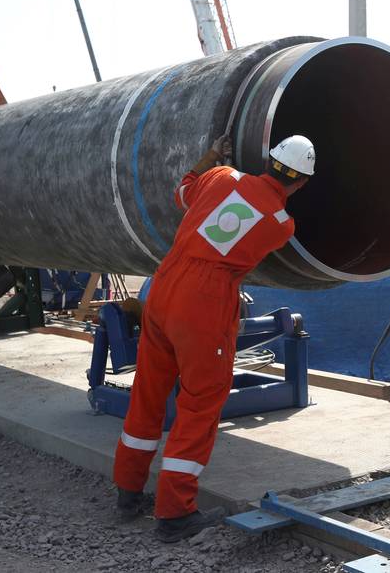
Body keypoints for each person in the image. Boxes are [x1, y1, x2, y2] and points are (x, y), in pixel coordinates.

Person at [112, 133, 315, 542]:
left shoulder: (220, 176)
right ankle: (173, 514)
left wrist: (207, 158)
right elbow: (252, 231)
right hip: (203, 303)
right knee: (200, 403)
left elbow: (182, 192)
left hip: (164, 285)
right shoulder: (281, 224)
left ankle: (128, 492)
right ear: (302, 183)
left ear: (269, 160)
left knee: (149, 392)